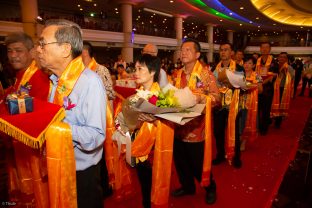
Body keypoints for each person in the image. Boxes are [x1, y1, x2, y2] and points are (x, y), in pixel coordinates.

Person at [36, 19, 107, 208]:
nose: (38, 49)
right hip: (57, 163)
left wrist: (55, 128)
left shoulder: (89, 82)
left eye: (43, 44)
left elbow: (96, 136)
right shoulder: (55, 81)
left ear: (65, 49)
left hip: (81, 173)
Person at [2, 32, 50, 207]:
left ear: (31, 52)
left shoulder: (39, 78)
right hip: (20, 148)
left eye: (18, 50)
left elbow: (42, 117)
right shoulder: (21, 76)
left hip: (33, 152)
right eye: (10, 51)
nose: (13, 55)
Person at [171, 38, 219, 204]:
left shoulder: (205, 74)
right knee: (181, 162)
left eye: (188, 50)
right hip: (177, 126)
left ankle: (210, 187)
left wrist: (201, 99)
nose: (183, 53)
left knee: (198, 164)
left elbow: (216, 97)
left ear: (197, 54)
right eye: (182, 50)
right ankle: (187, 187)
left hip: (196, 130)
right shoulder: (177, 74)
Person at [212, 42, 245, 168]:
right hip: (219, 106)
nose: (223, 52)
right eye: (221, 50)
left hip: (233, 105)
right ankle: (220, 155)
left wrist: (232, 83)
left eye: (226, 50)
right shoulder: (215, 68)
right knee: (218, 132)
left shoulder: (238, 68)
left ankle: (236, 157)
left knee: (234, 132)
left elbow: (243, 87)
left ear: (231, 52)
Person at [255, 42, 278, 135]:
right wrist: (258, 83)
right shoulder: (257, 61)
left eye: (266, 47)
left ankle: (264, 128)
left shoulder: (273, 61)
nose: (264, 49)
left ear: (269, 49)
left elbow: (274, 75)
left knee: (266, 109)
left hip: (267, 89)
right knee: (257, 108)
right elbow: (255, 73)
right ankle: (256, 126)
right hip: (257, 88)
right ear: (260, 49)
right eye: (262, 47)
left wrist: (262, 83)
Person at [240, 57, 263, 151]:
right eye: (245, 63)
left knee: (247, 123)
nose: (247, 65)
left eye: (249, 63)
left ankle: (243, 142)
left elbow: (261, 90)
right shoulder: (239, 74)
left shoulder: (257, 75)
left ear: (253, 65)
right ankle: (238, 139)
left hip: (251, 104)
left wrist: (251, 86)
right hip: (239, 103)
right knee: (238, 122)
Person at [271, 52, 295, 128]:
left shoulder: (289, 67)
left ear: (286, 59)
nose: (281, 58)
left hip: (282, 89)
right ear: (278, 58)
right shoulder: (274, 65)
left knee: (280, 106)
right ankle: (271, 118)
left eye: (284, 57)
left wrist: (286, 72)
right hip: (273, 88)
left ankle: (278, 122)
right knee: (272, 103)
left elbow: (292, 77)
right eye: (280, 57)